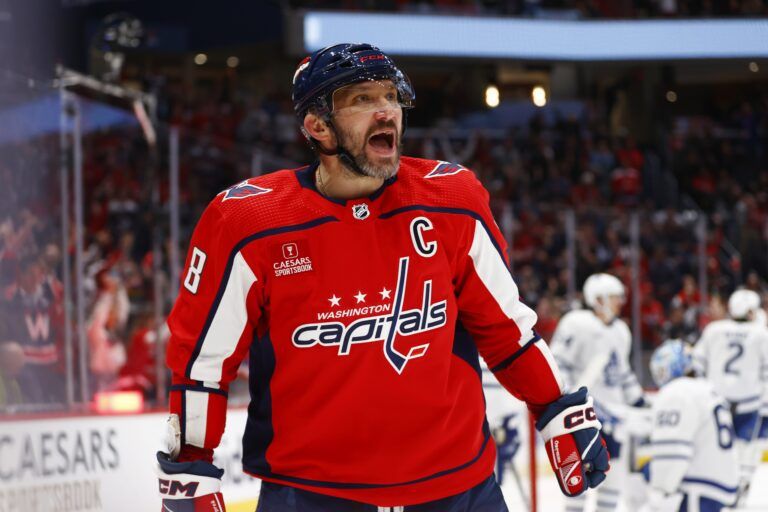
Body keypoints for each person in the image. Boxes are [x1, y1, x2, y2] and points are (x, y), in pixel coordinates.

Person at [155, 43, 609, 512]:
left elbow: (506, 331)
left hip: (459, 491)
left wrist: (557, 408)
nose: (385, 111)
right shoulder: (249, 221)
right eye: (361, 100)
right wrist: (190, 462)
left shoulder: (453, 197)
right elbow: (203, 362)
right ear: (317, 126)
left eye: (390, 96)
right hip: (314, 497)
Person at [549, 273, 651, 512]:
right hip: (583, 416)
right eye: (613, 298)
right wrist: (570, 398)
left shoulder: (620, 330)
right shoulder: (576, 323)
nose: (618, 303)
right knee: (579, 476)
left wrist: (638, 400)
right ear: (597, 299)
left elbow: (622, 373)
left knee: (612, 475)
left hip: (613, 416)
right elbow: (558, 363)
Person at [641, 339, 738, 512]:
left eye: (662, 370)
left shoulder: (677, 391)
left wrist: (660, 490)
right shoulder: (708, 390)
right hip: (719, 488)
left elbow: (672, 451)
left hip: (698, 489)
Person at [692, 288, 768, 504]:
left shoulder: (714, 330)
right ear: (751, 311)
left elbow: (697, 363)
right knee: (746, 453)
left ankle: (716, 492)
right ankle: (739, 497)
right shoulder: (761, 334)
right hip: (750, 403)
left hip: (717, 403)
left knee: (716, 450)